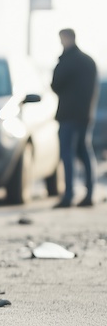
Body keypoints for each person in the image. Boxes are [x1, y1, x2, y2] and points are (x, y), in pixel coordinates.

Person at [51, 28, 99, 208]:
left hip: (68, 114)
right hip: (86, 114)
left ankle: (69, 194)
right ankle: (90, 193)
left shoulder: (67, 61)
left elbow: (55, 84)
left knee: (67, 154)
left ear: (66, 38)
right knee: (84, 152)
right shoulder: (89, 62)